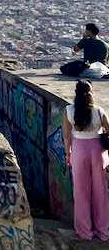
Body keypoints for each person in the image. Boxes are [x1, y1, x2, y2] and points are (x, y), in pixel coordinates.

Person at [62, 80, 109, 241]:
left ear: (76, 93)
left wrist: (68, 154)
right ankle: (103, 230)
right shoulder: (99, 111)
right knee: (100, 191)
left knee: (81, 192)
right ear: (91, 93)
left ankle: (84, 231)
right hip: (98, 152)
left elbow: (67, 136)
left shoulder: (69, 110)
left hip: (79, 151)